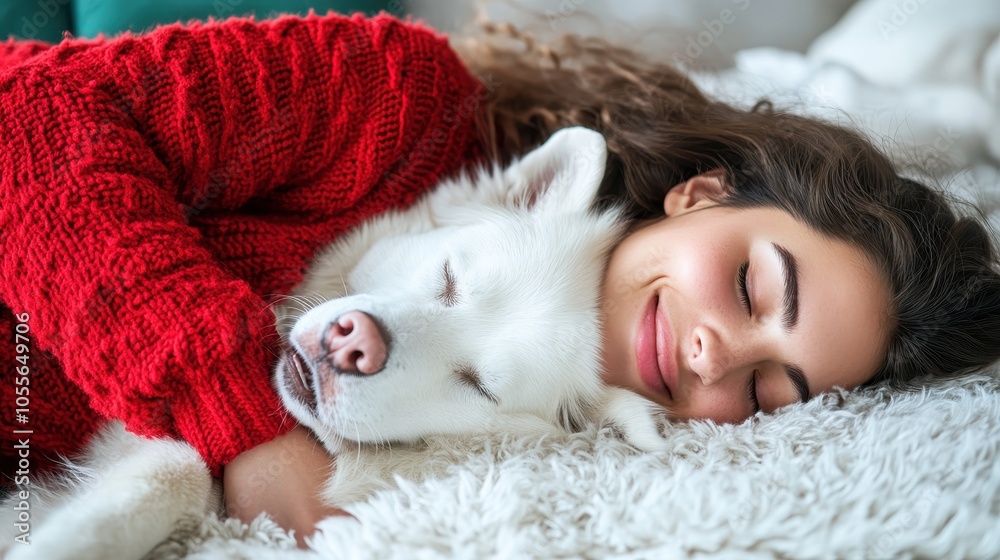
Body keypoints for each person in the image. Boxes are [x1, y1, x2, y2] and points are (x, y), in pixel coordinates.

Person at [2, 10, 999, 549]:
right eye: (749, 287)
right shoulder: (399, 100)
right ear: (699, 194)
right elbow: (25, 117)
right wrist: (244, 427)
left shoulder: (546, 430)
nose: (714, 352)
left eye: (769, 387)